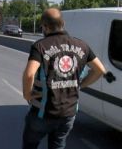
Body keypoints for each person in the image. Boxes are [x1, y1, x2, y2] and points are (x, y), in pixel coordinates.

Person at [21, 8, 106, 149]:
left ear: (45, 26)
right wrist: (81, 85)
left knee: (30, 145)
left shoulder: (40, 46)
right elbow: (100, 70)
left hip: (43, 113)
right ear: (63, 23)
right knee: (58, 145)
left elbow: (29, 74)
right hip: (68, 113)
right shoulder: (82, 45)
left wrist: (27, 94)